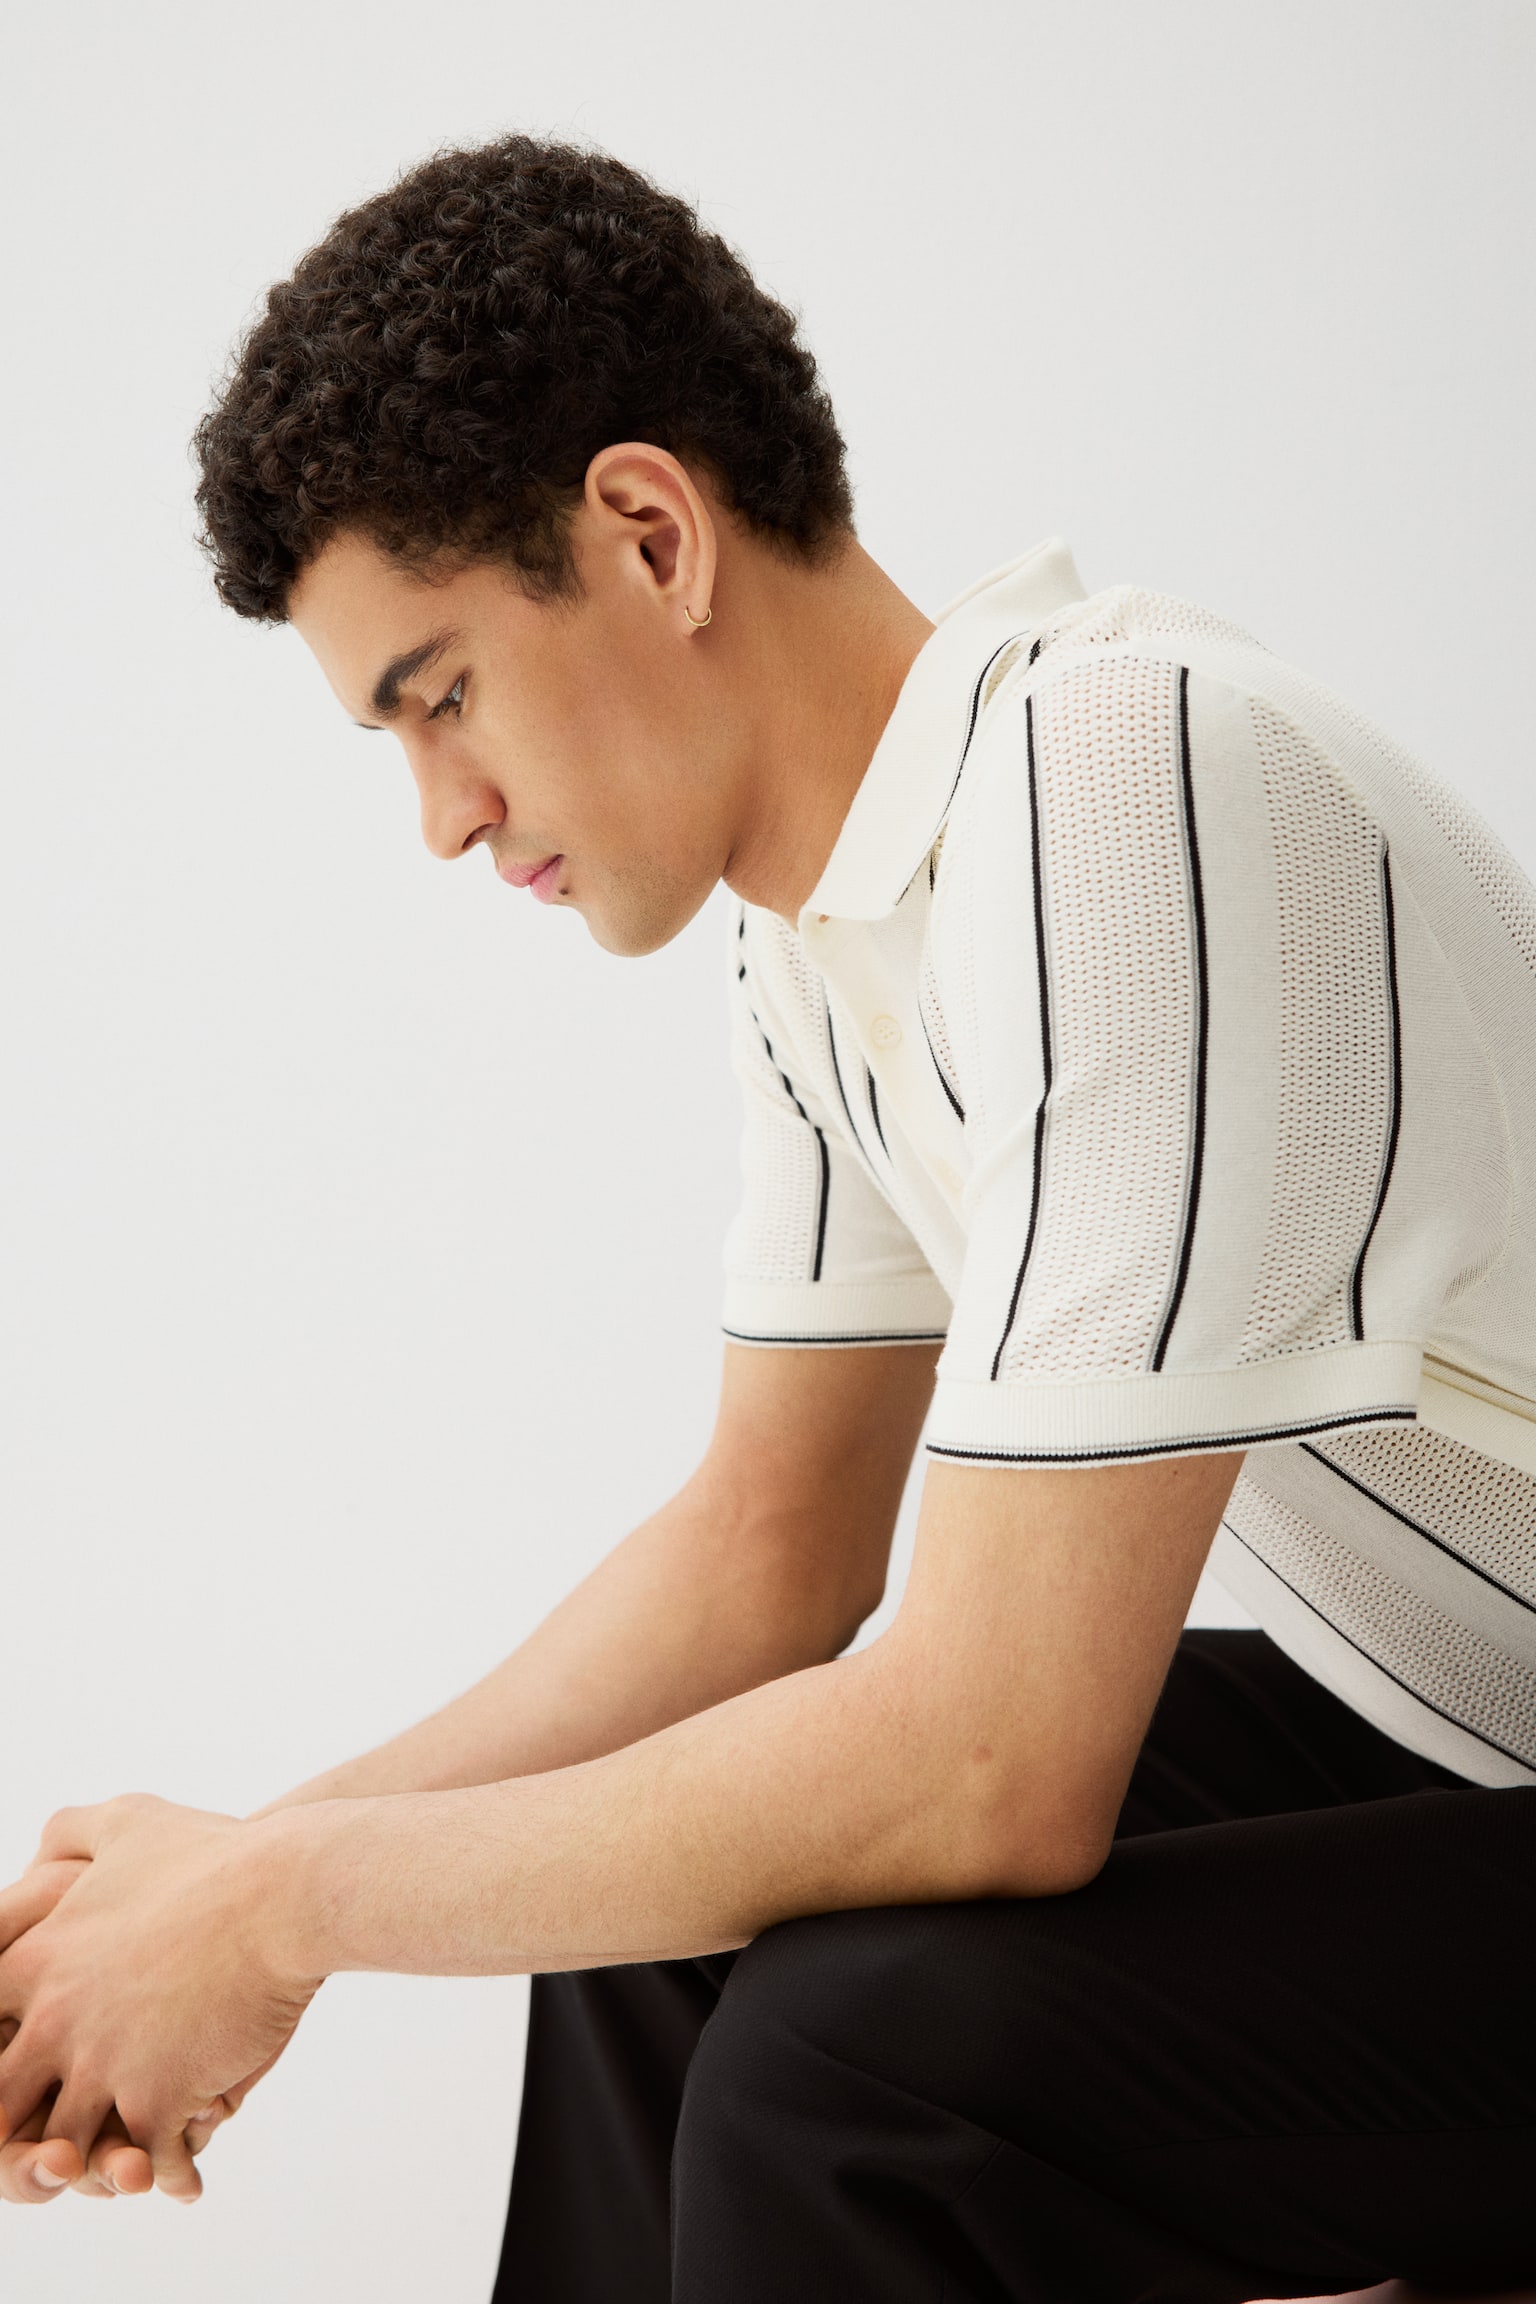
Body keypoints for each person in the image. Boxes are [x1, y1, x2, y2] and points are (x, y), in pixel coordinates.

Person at [0, 133, 1532, 2303]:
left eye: (442, 694)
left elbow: (995, 1766)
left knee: (853, 2068)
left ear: (650, 534)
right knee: (653, 1922)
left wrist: (272, 1915)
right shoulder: (826, 932)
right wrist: (227, 1883)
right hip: (1454, 1722)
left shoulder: (1128, 795)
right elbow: (765, 1555)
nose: (441, 816)